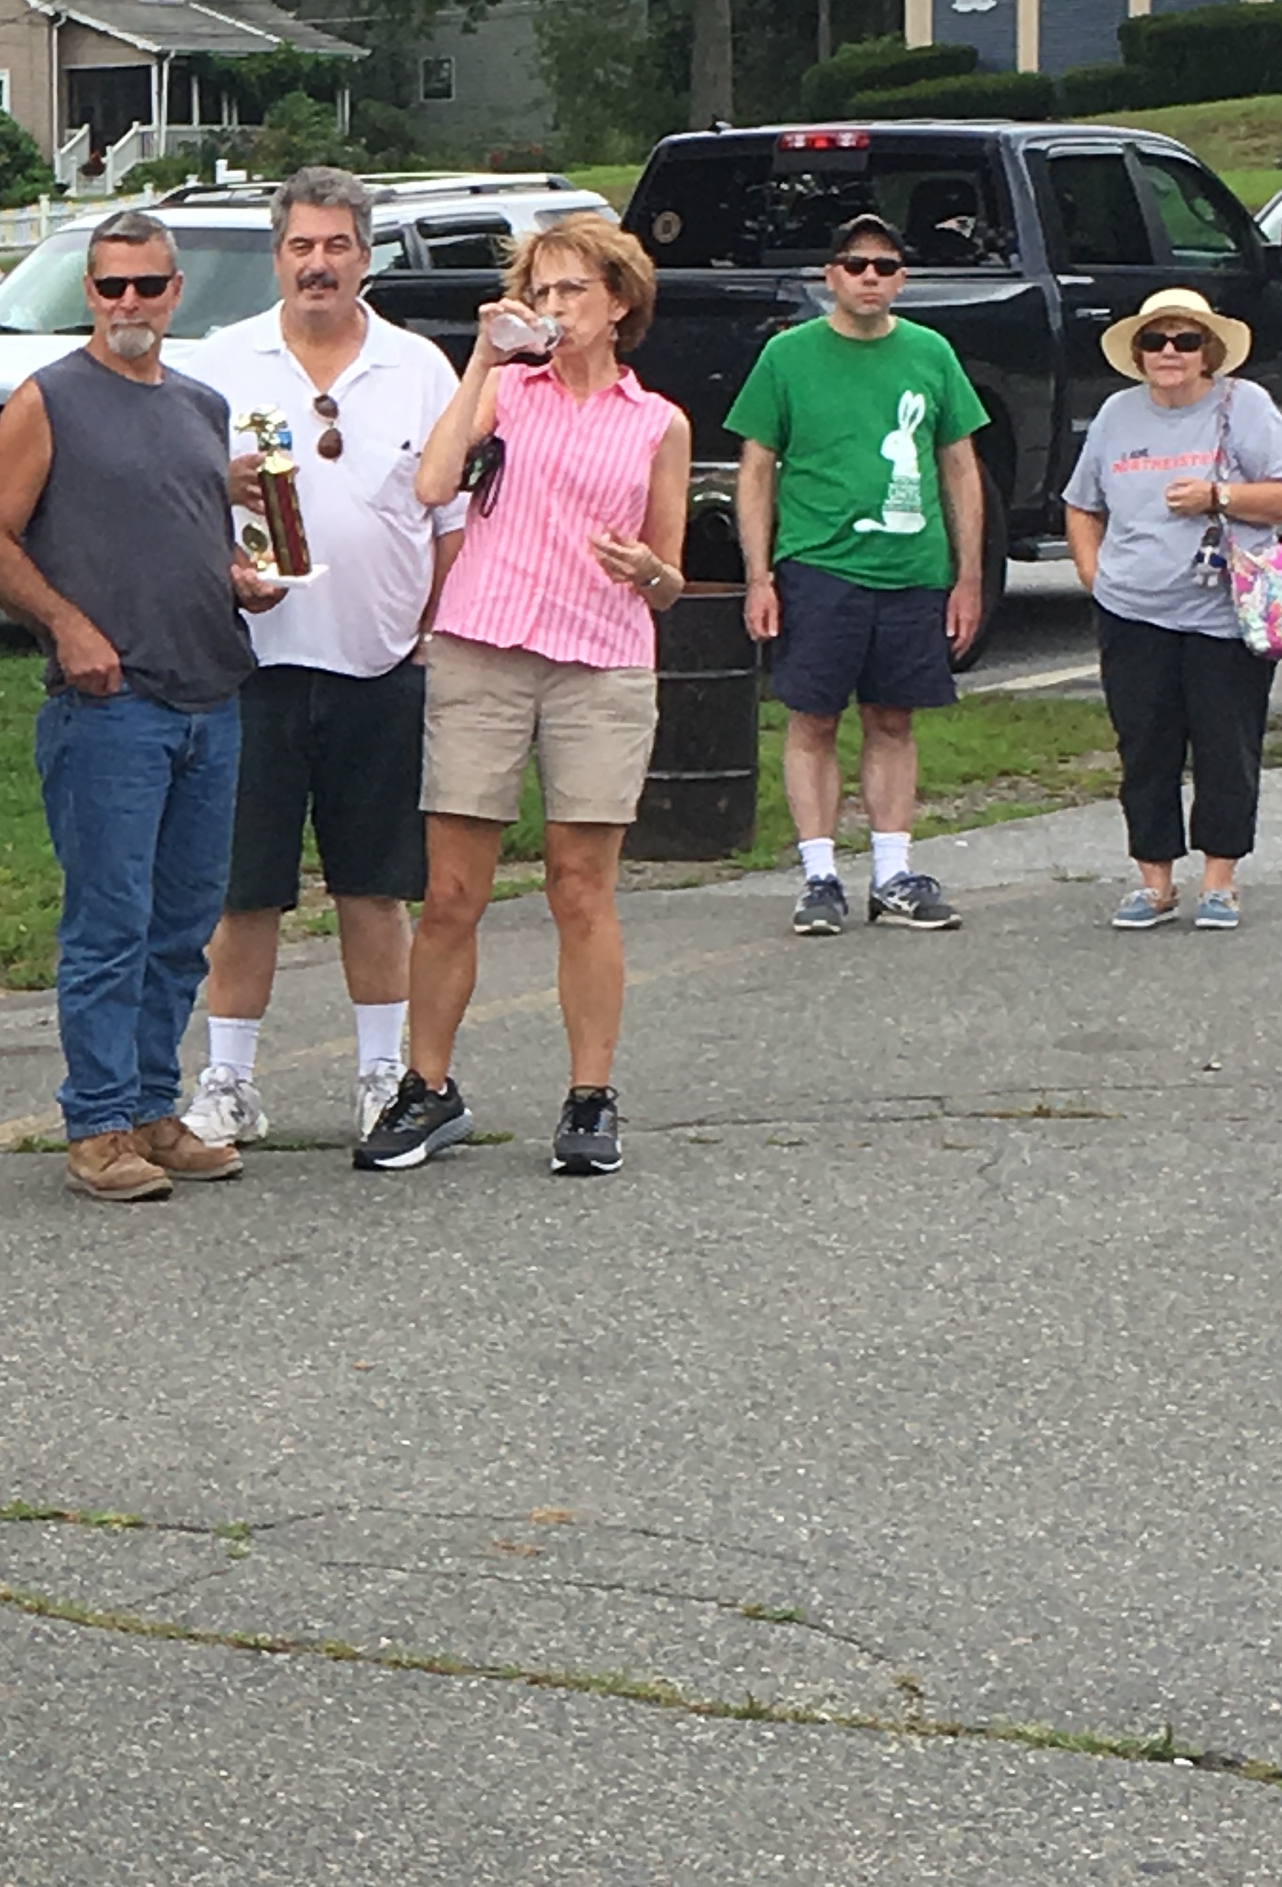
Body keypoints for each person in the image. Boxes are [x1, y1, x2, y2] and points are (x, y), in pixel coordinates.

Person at [0, 208, 280, 1203]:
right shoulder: (49, 399)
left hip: (209, 694)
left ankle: (151, 1107)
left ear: (176, 292)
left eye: (148, 285)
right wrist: (67, 626)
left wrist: (241, 579)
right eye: (111, 286)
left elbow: (185, 532)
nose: (129, 303)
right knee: (110, 924)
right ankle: (97, 1124)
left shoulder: (201, 406)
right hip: (110, 706)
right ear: (89, 293)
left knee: (182, 924)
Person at [368, 215, 691, 1178]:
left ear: (618, 303)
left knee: (579, 886)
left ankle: (590, 1095)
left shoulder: (657, 422)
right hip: (485, 650)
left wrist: (646, 570)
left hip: (599, 658)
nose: (553, 308)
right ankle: (428, 1087)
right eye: (540, 292)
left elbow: (670, 575)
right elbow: (434, 483)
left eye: (571, 291)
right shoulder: (507, 392)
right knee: (452, 890)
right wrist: (484, 357)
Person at [170, 167, 464, 1150]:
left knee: (372, 886)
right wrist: (225, 555)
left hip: (378, 665)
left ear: (366, 256)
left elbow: (452, 520)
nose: (318, 264)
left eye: (337, 246)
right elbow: (181, 505)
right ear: (277, 256)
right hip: (250, 665)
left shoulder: (419, 368)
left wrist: (431, 626)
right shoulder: (222, 364)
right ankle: (229, 1080)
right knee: (243, 887)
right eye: (301, 246)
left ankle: (383, 1075)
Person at [734, 211, 987, 933]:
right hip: (819, 564)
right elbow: (757, 468)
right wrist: (760, 575)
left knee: (892, 718)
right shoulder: (788, 356)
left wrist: (967, 576)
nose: (869, 277)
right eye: (854, 265)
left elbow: (959, 466)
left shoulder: (931, 352)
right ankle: (819, 876)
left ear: (902, 278)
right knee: (813, 717)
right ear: (830, 276)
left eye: (884, 266)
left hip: (912, 569)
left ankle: (892, 872)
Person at [1061, 283, 1282, 928]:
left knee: (1226, 746)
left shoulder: (1244, 406)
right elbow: (1081, 504)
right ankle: (1154, 882)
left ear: (1208, 352)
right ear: (1138, 353)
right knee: (1145, 748)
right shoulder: (1116, 414)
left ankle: (1219, 882)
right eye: (1155, 341)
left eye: (1185, 340)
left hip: (1223, 613)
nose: (1170, 352)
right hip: (1131, 611)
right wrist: (1093, 574)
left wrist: (1218, 496)